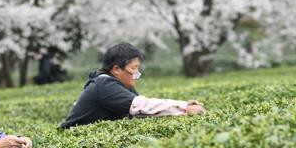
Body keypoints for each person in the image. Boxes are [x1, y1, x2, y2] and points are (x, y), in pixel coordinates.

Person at [60, 42, 205, 129]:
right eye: (134, 68)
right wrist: (184, 108)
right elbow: (142, 106)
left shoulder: (121, 85)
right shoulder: (104, 85)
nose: (137, 73)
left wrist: (184, 105)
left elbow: (141, 112)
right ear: (117, 69)